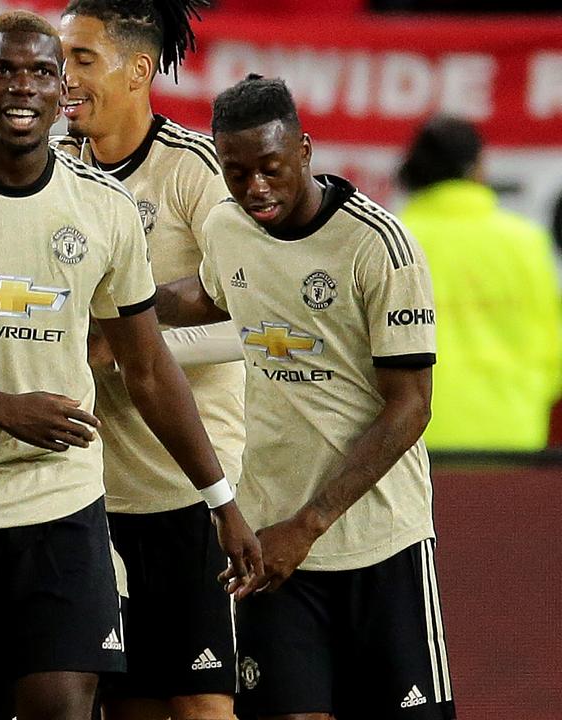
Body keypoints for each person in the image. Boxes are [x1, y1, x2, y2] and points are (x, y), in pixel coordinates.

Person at [0, 12, 262, 720]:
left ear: (60, 91)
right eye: (3, 70)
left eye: (41, 72)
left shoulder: (104, 207)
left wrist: (223, 503)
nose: (22, 87)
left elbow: (150, 368)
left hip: (59, 509)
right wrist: (3, 408)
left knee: (70, 705)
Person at [154, 74, 455, 720]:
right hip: (271, 547)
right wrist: (125, 304)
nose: (254, 187)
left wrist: (310, 523)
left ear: (306, 151)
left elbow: (412, 406)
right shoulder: (227, 228)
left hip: (378, 543)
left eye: (270, 167)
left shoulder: (380, 248)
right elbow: (209, 292)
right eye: (236, 173)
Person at [54, 3, 245, 717]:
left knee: (202, 705)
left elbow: (247, 308)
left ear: (138, 71)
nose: (62, 77)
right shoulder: (51, 169)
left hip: (192, 489)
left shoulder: (194, 173)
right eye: (58, 58)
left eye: (81, 59)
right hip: (89, 489)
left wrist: (129, 331)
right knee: (127, 705)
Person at [397, 115, 562, 451]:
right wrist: (524, 394)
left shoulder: (394, 239)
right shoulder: (526, 242)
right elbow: (553, 348)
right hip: (513, 432)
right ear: (478, 168)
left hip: (413, 438)